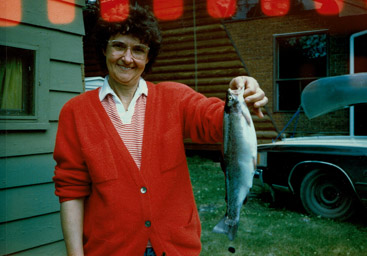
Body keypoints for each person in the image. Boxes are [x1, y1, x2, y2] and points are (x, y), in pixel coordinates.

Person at [53, 4, 268, 256]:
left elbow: (213, 120)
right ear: (104, 48)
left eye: (139, 50)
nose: (127, 58)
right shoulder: (76, 112)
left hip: (175, 248)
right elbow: (71, 192)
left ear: (148, 56)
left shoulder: (174, 98)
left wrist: (242, 91)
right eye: (119, 46)